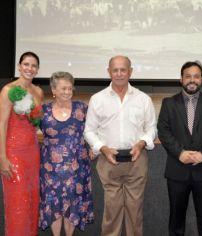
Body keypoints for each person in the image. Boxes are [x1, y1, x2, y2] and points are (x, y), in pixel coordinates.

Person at [84, 55, 157, 236]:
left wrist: (141, 143)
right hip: (109, 160)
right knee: (112, 211)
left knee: (135, 211)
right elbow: (89, 131)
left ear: (130, 72)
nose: (119, 74)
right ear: (109, 72)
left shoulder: (143, 99)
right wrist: (102, 148)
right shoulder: (97, 99)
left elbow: (151, 128)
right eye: (114, 70)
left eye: (123, 70)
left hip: (137, 159)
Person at [157, 61, 202, 236]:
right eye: (188, 76)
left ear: (201, 79)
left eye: (196, 76)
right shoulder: (168, 103)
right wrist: (180, 153)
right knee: (176, 221)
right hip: (177, 171)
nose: (192, 80)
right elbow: (163, 132)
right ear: (181, 79)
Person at [39, 71, 94, 236]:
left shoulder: (82, 109)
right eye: (63, 88)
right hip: (50, 170)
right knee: (53, 205)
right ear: (53, 90)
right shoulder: (43, 111)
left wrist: (93, 147)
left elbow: (94, 130)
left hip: (77, 167)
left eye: (70, 88)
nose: (67, 92)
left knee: (73, 204)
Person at [0, 51, 44, 236]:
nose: (29, 68)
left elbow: (36, 124)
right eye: (26, 64)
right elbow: (1, 124)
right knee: (17, 202)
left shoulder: (38, 91)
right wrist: (2, 157)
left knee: (32, 200)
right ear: (19, 66)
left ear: (37, 69)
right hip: (13, 152)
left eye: (33, 66)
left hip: (32, 152)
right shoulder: (8, 90)